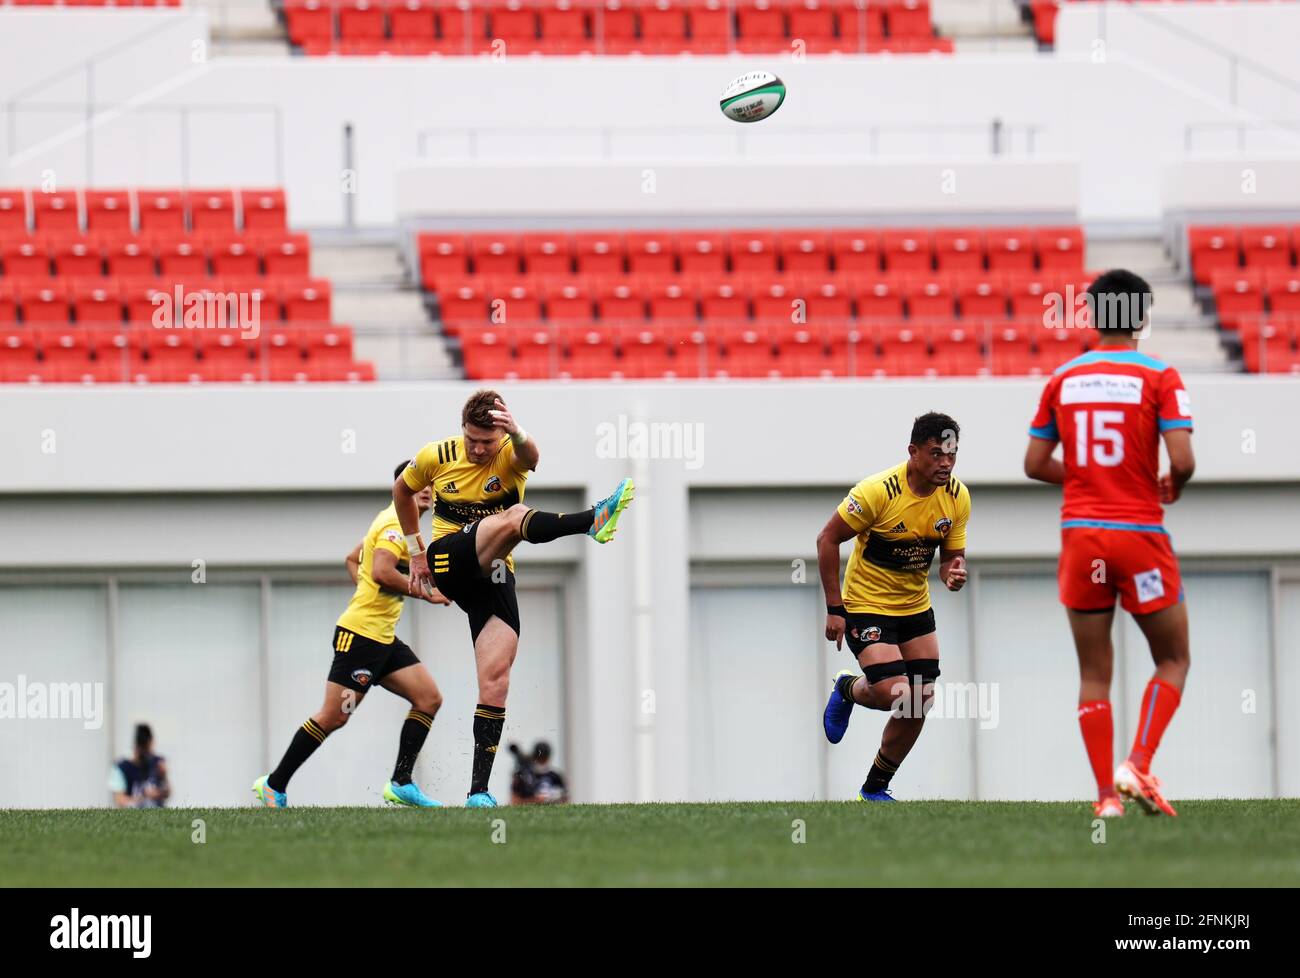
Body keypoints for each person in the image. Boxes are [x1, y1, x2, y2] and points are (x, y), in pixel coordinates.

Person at [396, 389, 634, 808]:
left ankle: (478, 793)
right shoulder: (437, 456)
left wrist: (518, 432)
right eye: (472, 439)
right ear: (462, 430)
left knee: (496, 682)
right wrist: (417, 553)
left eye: (486, 442)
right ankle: (591, 521)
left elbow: (532, 456)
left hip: (494, 575)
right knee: (510, 517)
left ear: (501, 435)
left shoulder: (511, 452)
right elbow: (401, 491)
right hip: (449, 561)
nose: (477, 448)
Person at [1024, 269, 1194, 818]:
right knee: (1172, 656)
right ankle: (1138, 764)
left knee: (1094, 672)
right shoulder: (1161, 376)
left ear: (1093, 316)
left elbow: (1033, 464)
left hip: (1082, 537)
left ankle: (1105, 800)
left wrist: (1082, 478)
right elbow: (1184, 458)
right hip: (1140, 533)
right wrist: (1173, 482)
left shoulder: (1063, 378)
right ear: (1141, 318)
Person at [252, 461, 451, 808]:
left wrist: (369, 591)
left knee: (428, 698)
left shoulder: (403, 527)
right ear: (399, 488)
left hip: (383, 638)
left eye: (429, 485)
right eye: (416, 484)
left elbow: (353, 557)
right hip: (360, 636)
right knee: (334, 716)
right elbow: (382, 571)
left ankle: (402, 782)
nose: (426, 490)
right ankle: (274, 784)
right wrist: (424, 593)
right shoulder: (392, 523)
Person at [817, 412, 971, 802]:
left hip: (915, 607)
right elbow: (826, 540)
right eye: (936, 454)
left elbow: (952, 559)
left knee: (919, 701)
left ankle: (874, 789)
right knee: (895, 694)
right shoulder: (877, 492)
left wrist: (954, 573)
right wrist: (835, 607)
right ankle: (849, 689)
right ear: (913, 452)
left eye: (951, 455)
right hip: (866, 604)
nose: (945, 464)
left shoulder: (957, 497)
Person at [109, 723, 170, 808]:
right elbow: (120, 801)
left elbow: (168, 792)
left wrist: (164, 777)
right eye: (145, 748)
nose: (148, 753)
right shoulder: (120, 768)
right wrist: (144, 796)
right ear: (137, 746)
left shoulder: (158, 763)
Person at [510, 740, 569, 805]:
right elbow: (514, 800)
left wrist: (552, 799)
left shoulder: (555, 776)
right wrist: (535, 800)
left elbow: (565, 799)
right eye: (539, 758)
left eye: (543, 758)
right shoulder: (524, 776)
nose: (541, 761)